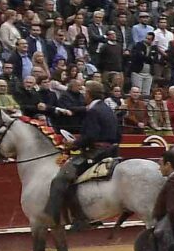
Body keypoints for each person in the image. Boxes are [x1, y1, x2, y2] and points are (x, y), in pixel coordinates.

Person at [47, 92, 122, 230]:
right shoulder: (108, 109)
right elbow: (119, 134)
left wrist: (74, 144)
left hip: (95, 153)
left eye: (85, 93)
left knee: (61, 179)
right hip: (111, 151)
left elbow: (90, 136)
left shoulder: (93, 111)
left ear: (89, 95)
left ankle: (63, 218)